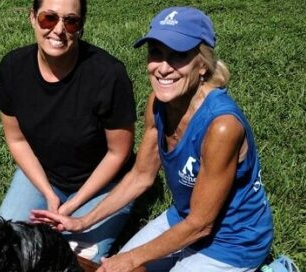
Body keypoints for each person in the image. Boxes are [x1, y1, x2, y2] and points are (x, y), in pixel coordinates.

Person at [31, 6, 274, 272]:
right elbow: (141, 176)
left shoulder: (222, 127)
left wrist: (132, 258)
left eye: (178, 56)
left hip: (234, 243)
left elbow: (201, 224)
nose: (163, 69)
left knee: (126, 265)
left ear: (203, 64)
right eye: (156, 53)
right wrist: (83, 221)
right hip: (183, 218)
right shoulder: (157, 104)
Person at [0, 0, 137, 263]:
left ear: (80, 27)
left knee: (68, 258)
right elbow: (17, 140)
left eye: (71, 21)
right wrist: (48, 194)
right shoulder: (13, 68)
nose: (59, 30)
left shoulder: (108, 74)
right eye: (49, 18)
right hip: (44, 175)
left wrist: (71, 207)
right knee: (6, 246)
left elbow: (119, 152)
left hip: (105, 183)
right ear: (32, 18)